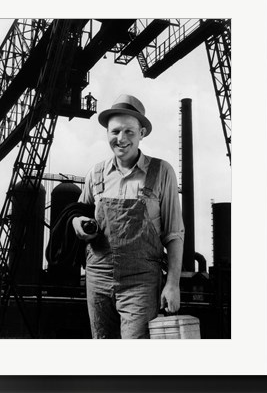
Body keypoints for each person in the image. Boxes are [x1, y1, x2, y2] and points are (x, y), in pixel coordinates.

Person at [72, 94, 184, 339]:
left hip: (141, 280)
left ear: (142, 133)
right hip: (97, 277)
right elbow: (78, 212)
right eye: (115, 131)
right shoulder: (96, 173)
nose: (121, 139)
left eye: (129, 132)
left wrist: (173, 283)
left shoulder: (161, 172)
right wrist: (77, 223)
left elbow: (174, 233)